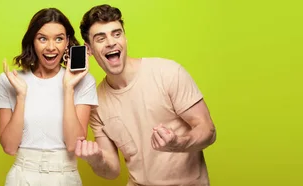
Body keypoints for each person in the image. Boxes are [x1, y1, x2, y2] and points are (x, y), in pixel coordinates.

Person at [74, 4, 217, 186]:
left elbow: (208, 130)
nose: (111, 42)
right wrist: (95, 160)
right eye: (101, 38)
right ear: (89, 50)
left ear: (125, 38)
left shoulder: (168, 73)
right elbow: (112, 171)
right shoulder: (96, 103)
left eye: (117, 34)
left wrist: (178, 143)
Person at [0, 8, 98, 186]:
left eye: (59, 38)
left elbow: (73, 144)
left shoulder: (83, 81)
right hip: (22, 176)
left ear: (67, 42)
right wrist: (21, 96)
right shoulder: (9, 80)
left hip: (65, 176)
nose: (51, 47)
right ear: (32, 41)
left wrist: (69, 88)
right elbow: (9, 147)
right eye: (42, 38)